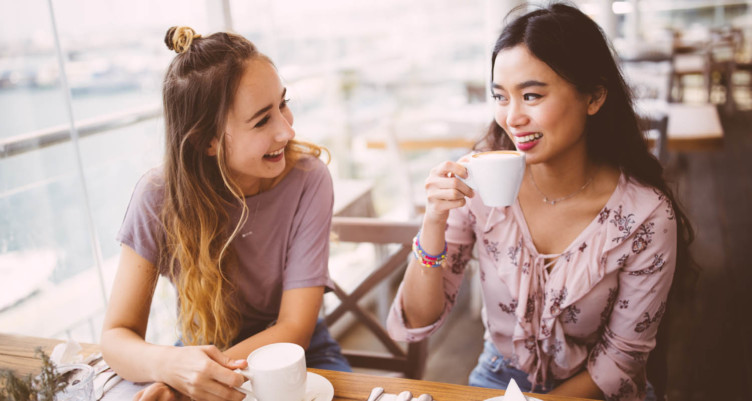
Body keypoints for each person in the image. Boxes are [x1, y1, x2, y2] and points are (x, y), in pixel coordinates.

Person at [386, 3, 693, 401]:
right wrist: (433, 223)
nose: (511, 118)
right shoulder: (476, 182)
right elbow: (419, 318)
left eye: (531, 95)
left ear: (594, 96)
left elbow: (621, 362)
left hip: (593, 390)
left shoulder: (645, 216)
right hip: (499, 380)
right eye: (501, 97)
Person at [101, 26, 351, 401]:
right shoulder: (157, 197)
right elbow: (116, 336)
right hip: (199, 358)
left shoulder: (308, 179)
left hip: (302, 356)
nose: (287, 130)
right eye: (262, 119)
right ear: (207, 140)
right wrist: (173, 368)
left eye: (282, 104)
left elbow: (295, 328)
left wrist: (190, 381)